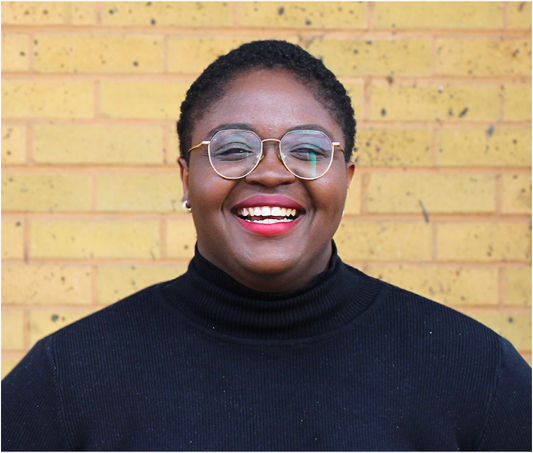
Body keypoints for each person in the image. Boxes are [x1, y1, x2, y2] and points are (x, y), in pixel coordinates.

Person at [2, 40, 531, 451]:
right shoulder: (70, 378)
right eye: (234, 148)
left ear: (347, 178)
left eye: (307, 150)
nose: (273, 173)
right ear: (186, 178)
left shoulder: (472, 371)